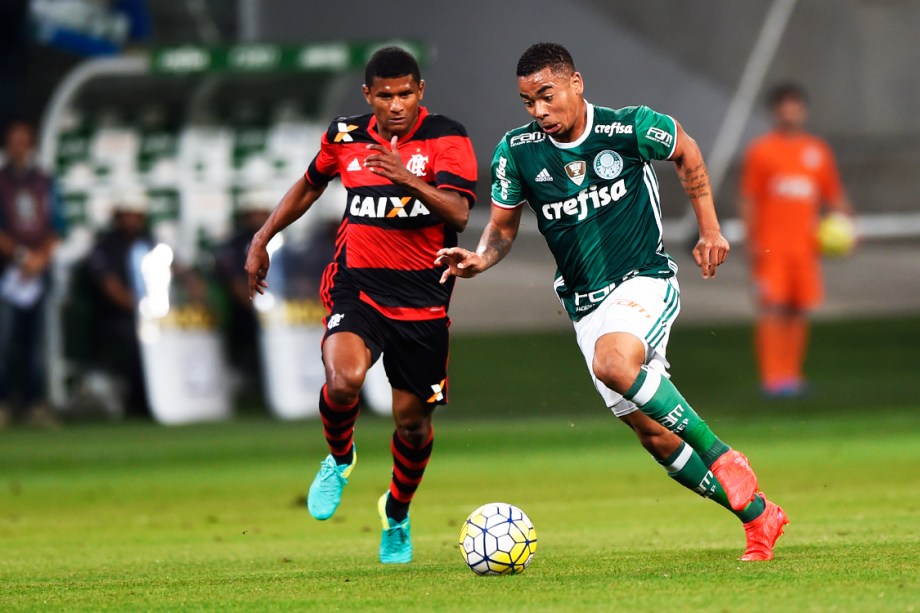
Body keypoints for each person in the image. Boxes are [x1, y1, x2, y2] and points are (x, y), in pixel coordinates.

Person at [437, 43, 787, 561]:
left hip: (643, 279)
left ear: (575, 83)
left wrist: (711, 229)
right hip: (584, 305)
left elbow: (687, 150)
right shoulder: (517, 152)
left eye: (546, 96)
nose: (538, 111)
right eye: (527, 102)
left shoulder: (631, 128)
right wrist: (481, 260)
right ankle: (760, 517)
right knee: (654, 435)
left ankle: (723, 457)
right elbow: (502, 229)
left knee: (614, 363)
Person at [245, 47, 477, 564]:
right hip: (359, 287)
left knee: (412, 424)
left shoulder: (447, 137)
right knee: (343, 379)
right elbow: (309, 185)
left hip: (423, 302)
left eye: (406, 94)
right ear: (368, 95)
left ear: (421, 92)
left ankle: (396, 513)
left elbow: (459, 213)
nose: (396, 105)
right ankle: (340, 457)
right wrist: (262, 237)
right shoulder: (345, 136)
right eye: (385, 95)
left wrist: (405, 176)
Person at [739, 83, 854, 398]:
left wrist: (849, 229)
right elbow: (749, 199)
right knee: (773, 308)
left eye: (795, 105)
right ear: (775, 111)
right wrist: (752, 243)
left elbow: (833, 195)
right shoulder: (761, 151)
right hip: (772, 247)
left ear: (803, 110)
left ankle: (792, 376)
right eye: (783, 105)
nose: (789, 111)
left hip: (805, 248)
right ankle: (772, 378)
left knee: (798, 309)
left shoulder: (817, 151)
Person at [0, 120, 64, 427]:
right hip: (7, 272)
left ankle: (35, 403)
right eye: (14, 142)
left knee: (37, 343)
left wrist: (39, 259)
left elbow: (57, 226)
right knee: (4, 340)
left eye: (25, 141)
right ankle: (4, 402)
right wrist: (21, 256)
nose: (20, 148)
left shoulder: (45, 181)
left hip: (39, 272)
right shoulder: (1, 181)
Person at [83, 189, 153, 417]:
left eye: (136, 215)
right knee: (134, 337)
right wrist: (145, 309)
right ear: (117, 217)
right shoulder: (104, 247)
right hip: (115, 319)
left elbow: (178, 270)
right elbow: (112, 290)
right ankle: (141, 401)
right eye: (126, 215)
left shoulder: (151, 243)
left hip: (152, 315)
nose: (131, 220)